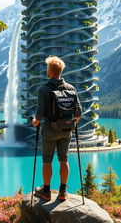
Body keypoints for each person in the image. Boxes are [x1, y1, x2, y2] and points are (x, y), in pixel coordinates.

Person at [32, 55, 82, 201]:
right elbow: (78, 112)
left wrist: (35, 121)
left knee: (47, 160)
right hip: (66, 131)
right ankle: (63, 191)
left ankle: (46, 191)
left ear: (50, 70)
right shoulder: (71, 88)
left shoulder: (44, 89)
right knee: (63, 159)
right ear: (60, 70)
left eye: (47, 68)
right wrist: (71, 123)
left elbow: (40, 114)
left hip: (50, 131)